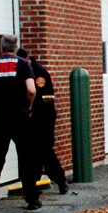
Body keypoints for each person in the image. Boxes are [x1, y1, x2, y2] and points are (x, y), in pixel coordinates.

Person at [0, 34, 40, 213]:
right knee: (25, 157)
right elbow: (31, 89)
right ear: (16, 48)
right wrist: (29, 106)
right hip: (19, 116)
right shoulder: (24, 65)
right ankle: (31, 198)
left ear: (1, 47)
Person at [17, 48, 69, 195]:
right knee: (32, 152)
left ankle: (60, 180)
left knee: (44, 150)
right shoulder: (24, 70)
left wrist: (30, 108)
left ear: (27, 59)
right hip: (30, 115)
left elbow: (42, 96)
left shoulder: (39, 72)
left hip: (43, 115)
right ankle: (32, 186)